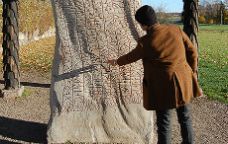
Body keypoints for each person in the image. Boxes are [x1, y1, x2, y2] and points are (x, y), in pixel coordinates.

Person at [107, 5, 202, 144]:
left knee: (164, 124)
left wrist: (116, 62)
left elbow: (130, 57)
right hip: (184, 82)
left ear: (143, 24)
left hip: (163, 87)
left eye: (140, 24)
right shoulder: (176, 30)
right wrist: (192, 72)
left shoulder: (145, 42)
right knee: (185, 117)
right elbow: (193, 52)